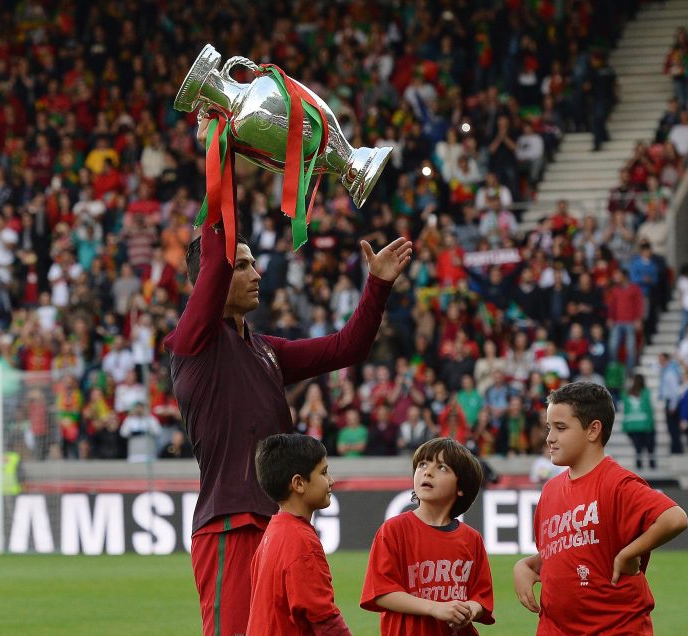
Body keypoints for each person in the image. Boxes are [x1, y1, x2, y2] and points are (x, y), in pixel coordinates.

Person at [164, 202, 411, 635]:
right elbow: (215, 255)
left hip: (280, 524)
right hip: (230, 525)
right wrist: (222, 154)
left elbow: (346, 348)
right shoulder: (194, 342)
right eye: (242, 266)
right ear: (210, 277)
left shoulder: (265, 350)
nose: (257, 274)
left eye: (255, 264)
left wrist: (377, 286)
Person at [513, 382, 688, 634]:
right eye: (549, 427)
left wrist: (627, 554)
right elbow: (567, 551)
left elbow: (674, 517)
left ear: (593, 430)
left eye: (561, 428)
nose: (550, 437)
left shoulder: (617, 483)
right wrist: (526, 566)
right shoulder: (550, 491)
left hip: (614, 627)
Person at [360, 437, 495, 635]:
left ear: (460, 487)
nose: (427, 471)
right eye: (422, 464)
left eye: (442, 468)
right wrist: (435, 608)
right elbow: (381, 593)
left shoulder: (472, 539)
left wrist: (469, 611)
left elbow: (481, 598)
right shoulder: (394, 530)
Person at [247, 434, 351, 635]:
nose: (332, 481)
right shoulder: (302, 541)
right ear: (298, 484)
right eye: (324, 472)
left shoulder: (272, 532)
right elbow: (324, 619)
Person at [622, 374, 657, 469]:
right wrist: (651, 426)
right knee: (650, 450)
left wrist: (624, 427)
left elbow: (625, 411)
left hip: (632, 425)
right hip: (645, 424)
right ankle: (653, 468)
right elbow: (649, 410)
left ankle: (639, 470)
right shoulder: (646, 393)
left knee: (638, 450)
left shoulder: (626, 393)